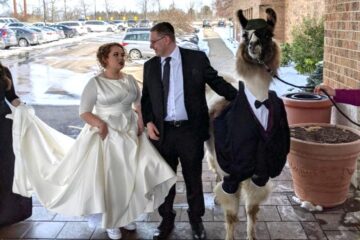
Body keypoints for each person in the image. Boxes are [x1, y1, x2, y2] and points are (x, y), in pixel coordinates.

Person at [10, 43, 177, 240]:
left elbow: (138, 104)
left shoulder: (130, 80)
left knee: (132, 176)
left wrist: (140, 122)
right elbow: (84, 112)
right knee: (112, 180)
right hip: (107, 136)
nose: (121, 58)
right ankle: (111, 221)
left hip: (131, 133)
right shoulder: (95, 83)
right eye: (116, 55)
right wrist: (100, 124)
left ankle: (125, 216)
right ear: (105, 59)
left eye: (122, 54)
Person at [141, 22, 237, 240]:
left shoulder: (196, 59)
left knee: (193, 179)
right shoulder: (150, 66)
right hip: (163, 134)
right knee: (165, 180)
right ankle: (166, 220)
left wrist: (241, 98)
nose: (151, 46)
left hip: (190, 132)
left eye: (153, 41)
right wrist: (148, 122)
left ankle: (196, 220)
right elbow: (146, 99)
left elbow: (217, 82)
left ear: (166, 40)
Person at [0, 63, 32, 226]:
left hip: (3, 125)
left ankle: (7, 213)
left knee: (7, 168)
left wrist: (23, 107)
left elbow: (11, 96)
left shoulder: (3, 70)